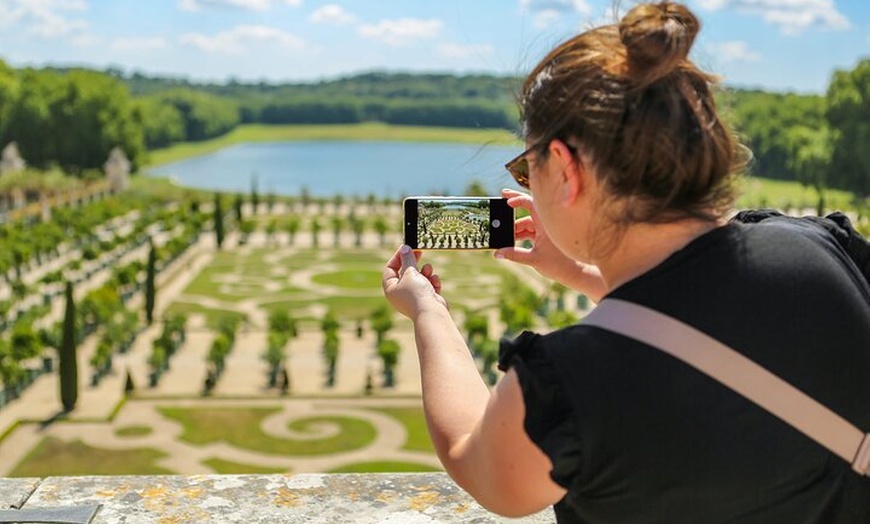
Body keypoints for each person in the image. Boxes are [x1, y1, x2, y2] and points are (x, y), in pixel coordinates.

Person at [381, 1, 870, 522]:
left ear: (566, 169)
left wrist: (428, 311)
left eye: (527, 169)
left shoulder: (572, 382)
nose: (527, 185)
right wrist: (583, 274)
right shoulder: (820, 247)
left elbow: (476, 462)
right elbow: (710, 314)